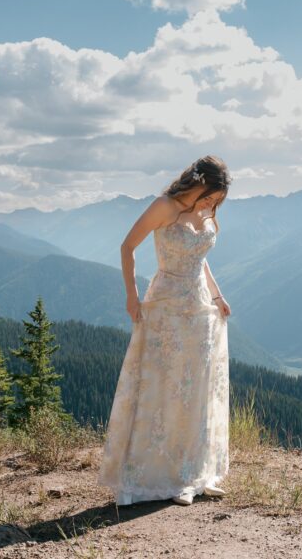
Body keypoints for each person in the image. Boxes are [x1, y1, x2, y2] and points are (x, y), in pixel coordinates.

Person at [98, 155, 232, 506]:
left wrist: (218, 296)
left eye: (217, 200)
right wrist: (132, 295)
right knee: (164, 391)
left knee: (195, 391)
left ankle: (196, 473)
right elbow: (127, 247)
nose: (211, 204)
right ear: (197, 182)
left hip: (200, 311)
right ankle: (159, 478)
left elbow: (200, 261)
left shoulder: (206, 213)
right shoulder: (164, 206)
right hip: (166, 310)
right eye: (209, 196)